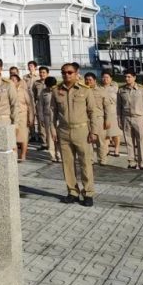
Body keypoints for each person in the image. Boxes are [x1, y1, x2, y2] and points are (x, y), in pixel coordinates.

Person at [51, 62, 102, 206]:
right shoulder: (56, 90)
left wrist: (94, 131)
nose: (66, 75)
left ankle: (88, 193)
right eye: (63, 72)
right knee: (67, 164)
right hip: (64, 131)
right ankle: (72, 192)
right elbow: (53, 112)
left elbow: (92, 112)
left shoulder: (85, 90)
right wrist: (53, 130)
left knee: (85, 163)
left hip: (82, 131)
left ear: (76, 73)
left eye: (69, 72)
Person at [117, 70, 143, 170]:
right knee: (129, 141)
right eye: (125, 77)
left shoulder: (142, 89)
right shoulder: (121, 90)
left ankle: (142, 162)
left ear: (134, 78)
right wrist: (119, 119)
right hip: (126, 118)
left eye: (129, 77)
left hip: (139, 118)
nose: (127, 79)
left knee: (140, 141)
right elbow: (118, 106)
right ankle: (132, 162)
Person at [83, 73, 108, 166]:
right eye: (86, 80)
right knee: (88, 140)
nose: (88, 81)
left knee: (100, 140)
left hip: (98, 118)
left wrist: (107, 119)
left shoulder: (101, 91)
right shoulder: (83, 90)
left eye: (90, 80)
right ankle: (90, 159)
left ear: (95, 80)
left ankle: (102, 160)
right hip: (86, 118)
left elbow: (107, 106)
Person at [10, 72, 34, 162]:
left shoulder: (24, 91)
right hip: (12, 117)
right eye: (11, 80)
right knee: (13, 136)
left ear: (18, 81)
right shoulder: (8, 91)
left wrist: (31, 117)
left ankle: (23, 155)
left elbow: (30, 105)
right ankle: (15, 154)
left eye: (14, 80)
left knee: (23, 137)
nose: (12, 81)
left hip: (23, 116)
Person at [38, 75, 59, 162]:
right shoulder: (43, 92)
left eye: (52, 87)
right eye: (48, 86)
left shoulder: (59, 91)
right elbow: (40, 106)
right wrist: (41, 118)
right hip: (47, 117)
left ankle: (59, 154)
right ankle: (52, 155)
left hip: (58, 117)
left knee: (59, 137)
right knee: (50, 137)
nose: (50, 88)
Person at [101, 71, 121, 158]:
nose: (105, 79)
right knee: (105, 133)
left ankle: (116, 149)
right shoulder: (99, 88)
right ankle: (106, 149)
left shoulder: (115, 88)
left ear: (111, 79)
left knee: (115, 133)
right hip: (103, 113)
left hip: (113, 112)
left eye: (107, 77)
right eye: (103, 77)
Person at [32, 66, 50, 149]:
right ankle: (44, 143)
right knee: (41, 124)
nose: (42, 74)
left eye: (44, 72)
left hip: (49, 105)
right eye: (40, 72)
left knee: (50, 124)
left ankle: (51, 142)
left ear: (47, 73)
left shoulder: (50, 81)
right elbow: (34, 95)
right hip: (40, 105)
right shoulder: (36, 83)